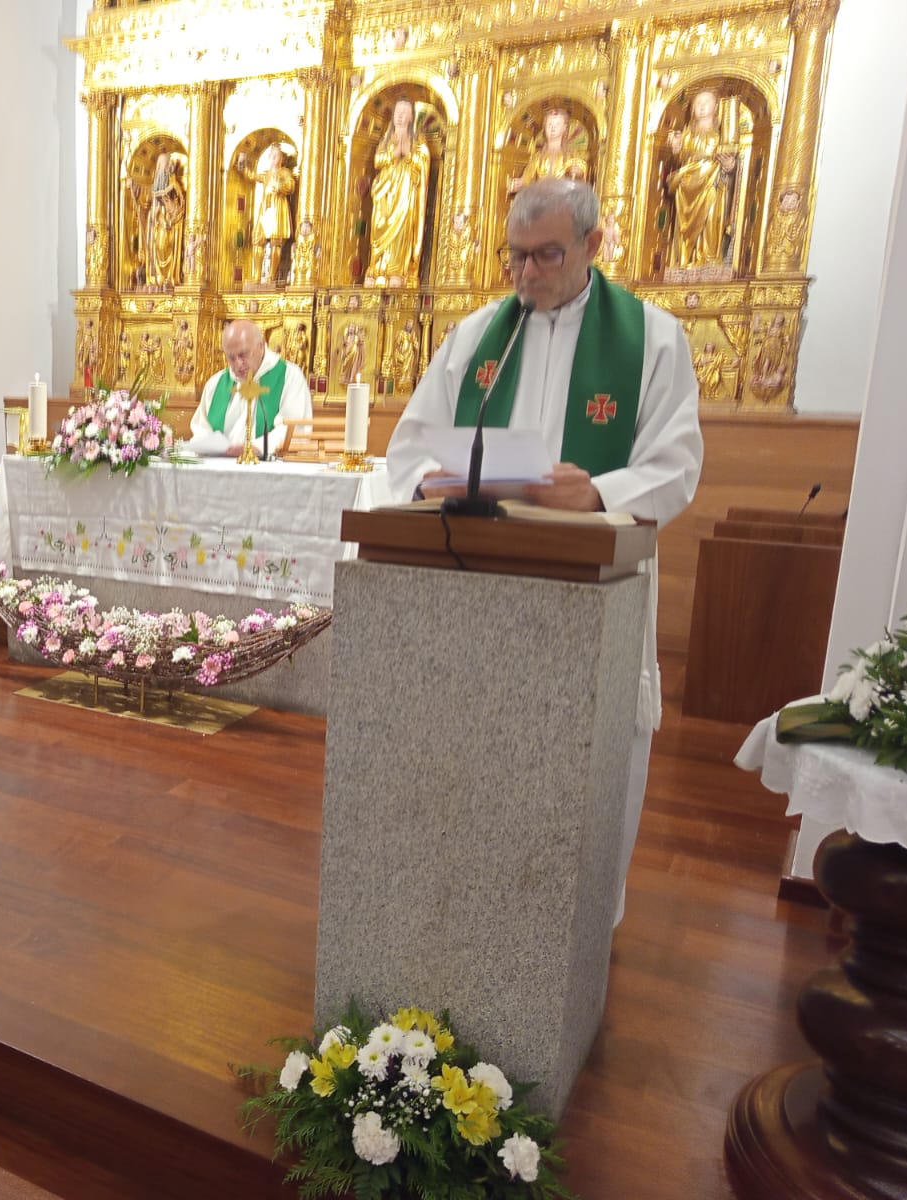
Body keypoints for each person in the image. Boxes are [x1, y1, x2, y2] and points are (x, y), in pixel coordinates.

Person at [385, 179, 703, 924]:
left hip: (591, 587)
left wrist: (596, 492)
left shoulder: (652, 339)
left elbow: (677, 462)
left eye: (547, 255)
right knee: (482, 758)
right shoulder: (475, 337)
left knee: (581, 763)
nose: (527, 275)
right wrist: (430, 482)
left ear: (595, 246)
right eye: (515, 257)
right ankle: (470, 909)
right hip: (481, 591)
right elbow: (407, 450)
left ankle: (583, 924)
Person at [190, 319, 313, 458]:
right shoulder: (216, 383)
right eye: (231, 357)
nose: (238, 364)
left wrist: (256, 447)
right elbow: (202, 429)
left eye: (243, 354)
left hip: (269, 470)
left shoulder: (289, 377)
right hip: (220, 469)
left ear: (260, 346)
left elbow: (293, 429)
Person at [666, 90, 736, 269]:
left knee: (711, 218)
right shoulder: (687, 134)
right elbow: (681, 159)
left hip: (712, 183)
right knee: (685, 225)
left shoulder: (723, 135)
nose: (702, 106)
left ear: (716, 107)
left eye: (707, 102)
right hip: (687, 187)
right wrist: (676, 149)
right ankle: (686, 259)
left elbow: (733, 164)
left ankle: (709, 258)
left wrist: (729, 166)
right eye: (698, 103)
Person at [366, 99, 432, 286]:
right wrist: (394, 154)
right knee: (380, 225)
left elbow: (424, 159)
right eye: (397, 112)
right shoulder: (387, 139)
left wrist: (409, 154)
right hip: (385, 191)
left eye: (405, 112)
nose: (400, 116)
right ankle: (377, 266)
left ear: (411, 117)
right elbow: (378, 160)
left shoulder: (417, 139)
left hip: (405, 191)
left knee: (401, 229)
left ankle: (397, 269)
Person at [236, 145, 298, 285]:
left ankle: (271, 276)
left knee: (276, 242)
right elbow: (252, 176)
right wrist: (243, 165)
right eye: (271, 156)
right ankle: (256, 276)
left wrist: (279, 186)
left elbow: (291, 185)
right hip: (266, 209)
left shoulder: (285, 172)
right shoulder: (266, 174)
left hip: (277, 208)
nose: (273, 159)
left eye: (276, 156)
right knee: (258, 239)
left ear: (281, 159)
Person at [130, 151, 186, 286]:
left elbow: (181, 204)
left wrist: (171, 213)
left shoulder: (174, 184)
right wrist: (135, 185)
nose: (166, 167)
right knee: (156, 248)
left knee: (165, 247)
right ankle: (155, 278)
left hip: (169, 226)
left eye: (168, 164)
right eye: (163, 165)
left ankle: (169, 277)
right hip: (155, 225)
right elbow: (146, 194)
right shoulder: (155, 185)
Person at [508, 108, 589, 196]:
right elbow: (527, 177)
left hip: (563, 201)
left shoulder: (572, 155)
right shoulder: (538, 157)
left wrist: (578, 172)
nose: (553, 128)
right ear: (544, 127)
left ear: (565, 128)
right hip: (541, 200)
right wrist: (518, 183)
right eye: (549, 124)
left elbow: (581, 171)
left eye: (557, 124)